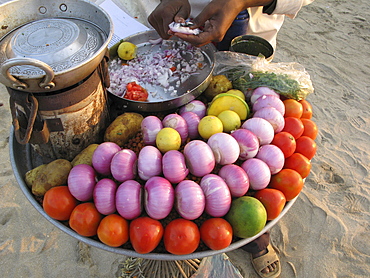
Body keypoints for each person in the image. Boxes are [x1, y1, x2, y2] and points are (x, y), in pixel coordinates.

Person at [116, 1, 314, 277]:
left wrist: (237, 2)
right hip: (175, 43)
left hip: (248, 36)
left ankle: (251, 236)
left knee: (249, 186)